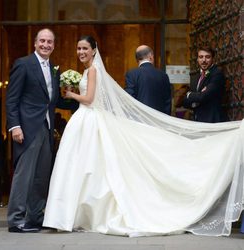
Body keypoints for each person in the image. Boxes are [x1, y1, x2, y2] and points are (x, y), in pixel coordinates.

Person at [43, 35, 244, 237]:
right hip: (131, 123)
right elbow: (168, 103)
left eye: (85, 48)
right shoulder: (160, 76)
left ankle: (76, 213)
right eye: (78, 48)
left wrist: (71, 94)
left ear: (94, 50)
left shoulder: (103, 71)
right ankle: (78, 212)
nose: (81, 52)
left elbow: (92, 98)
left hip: (105, 119)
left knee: (91, 166)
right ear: (152, 57)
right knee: (88, 166)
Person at [6, 28, 77, 233]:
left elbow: (53, 101)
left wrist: (79, 101)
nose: (46, 45)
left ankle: (35, 217)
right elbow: (12, 99)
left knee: (41, 175)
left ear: (53, 45)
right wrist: (15, 126)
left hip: (46, 128)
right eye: (43, 41)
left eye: (50, 42)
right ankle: (16, 219)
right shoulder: (23, 64)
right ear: (35, 43)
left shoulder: (54, 69)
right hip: (27, 128)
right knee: (24, 174)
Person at [183, 46, 228, 122]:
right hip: (197, 121)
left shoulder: (217, 74)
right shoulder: (195, 76)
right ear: (197, 59)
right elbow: (184, 102)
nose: (204, 60)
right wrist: (195, 100)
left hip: (212, 122)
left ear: (213, 59)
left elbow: (203, 96)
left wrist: (190, 94)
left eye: (207, 57)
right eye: (201, 57)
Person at [125, 45, 171, 115]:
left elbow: (129, 98)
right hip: (159, 120)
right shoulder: (163, 75)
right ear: (151, 56)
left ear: (137, 59)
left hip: (140, 119)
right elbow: (167, 102)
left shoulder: (131, 74)